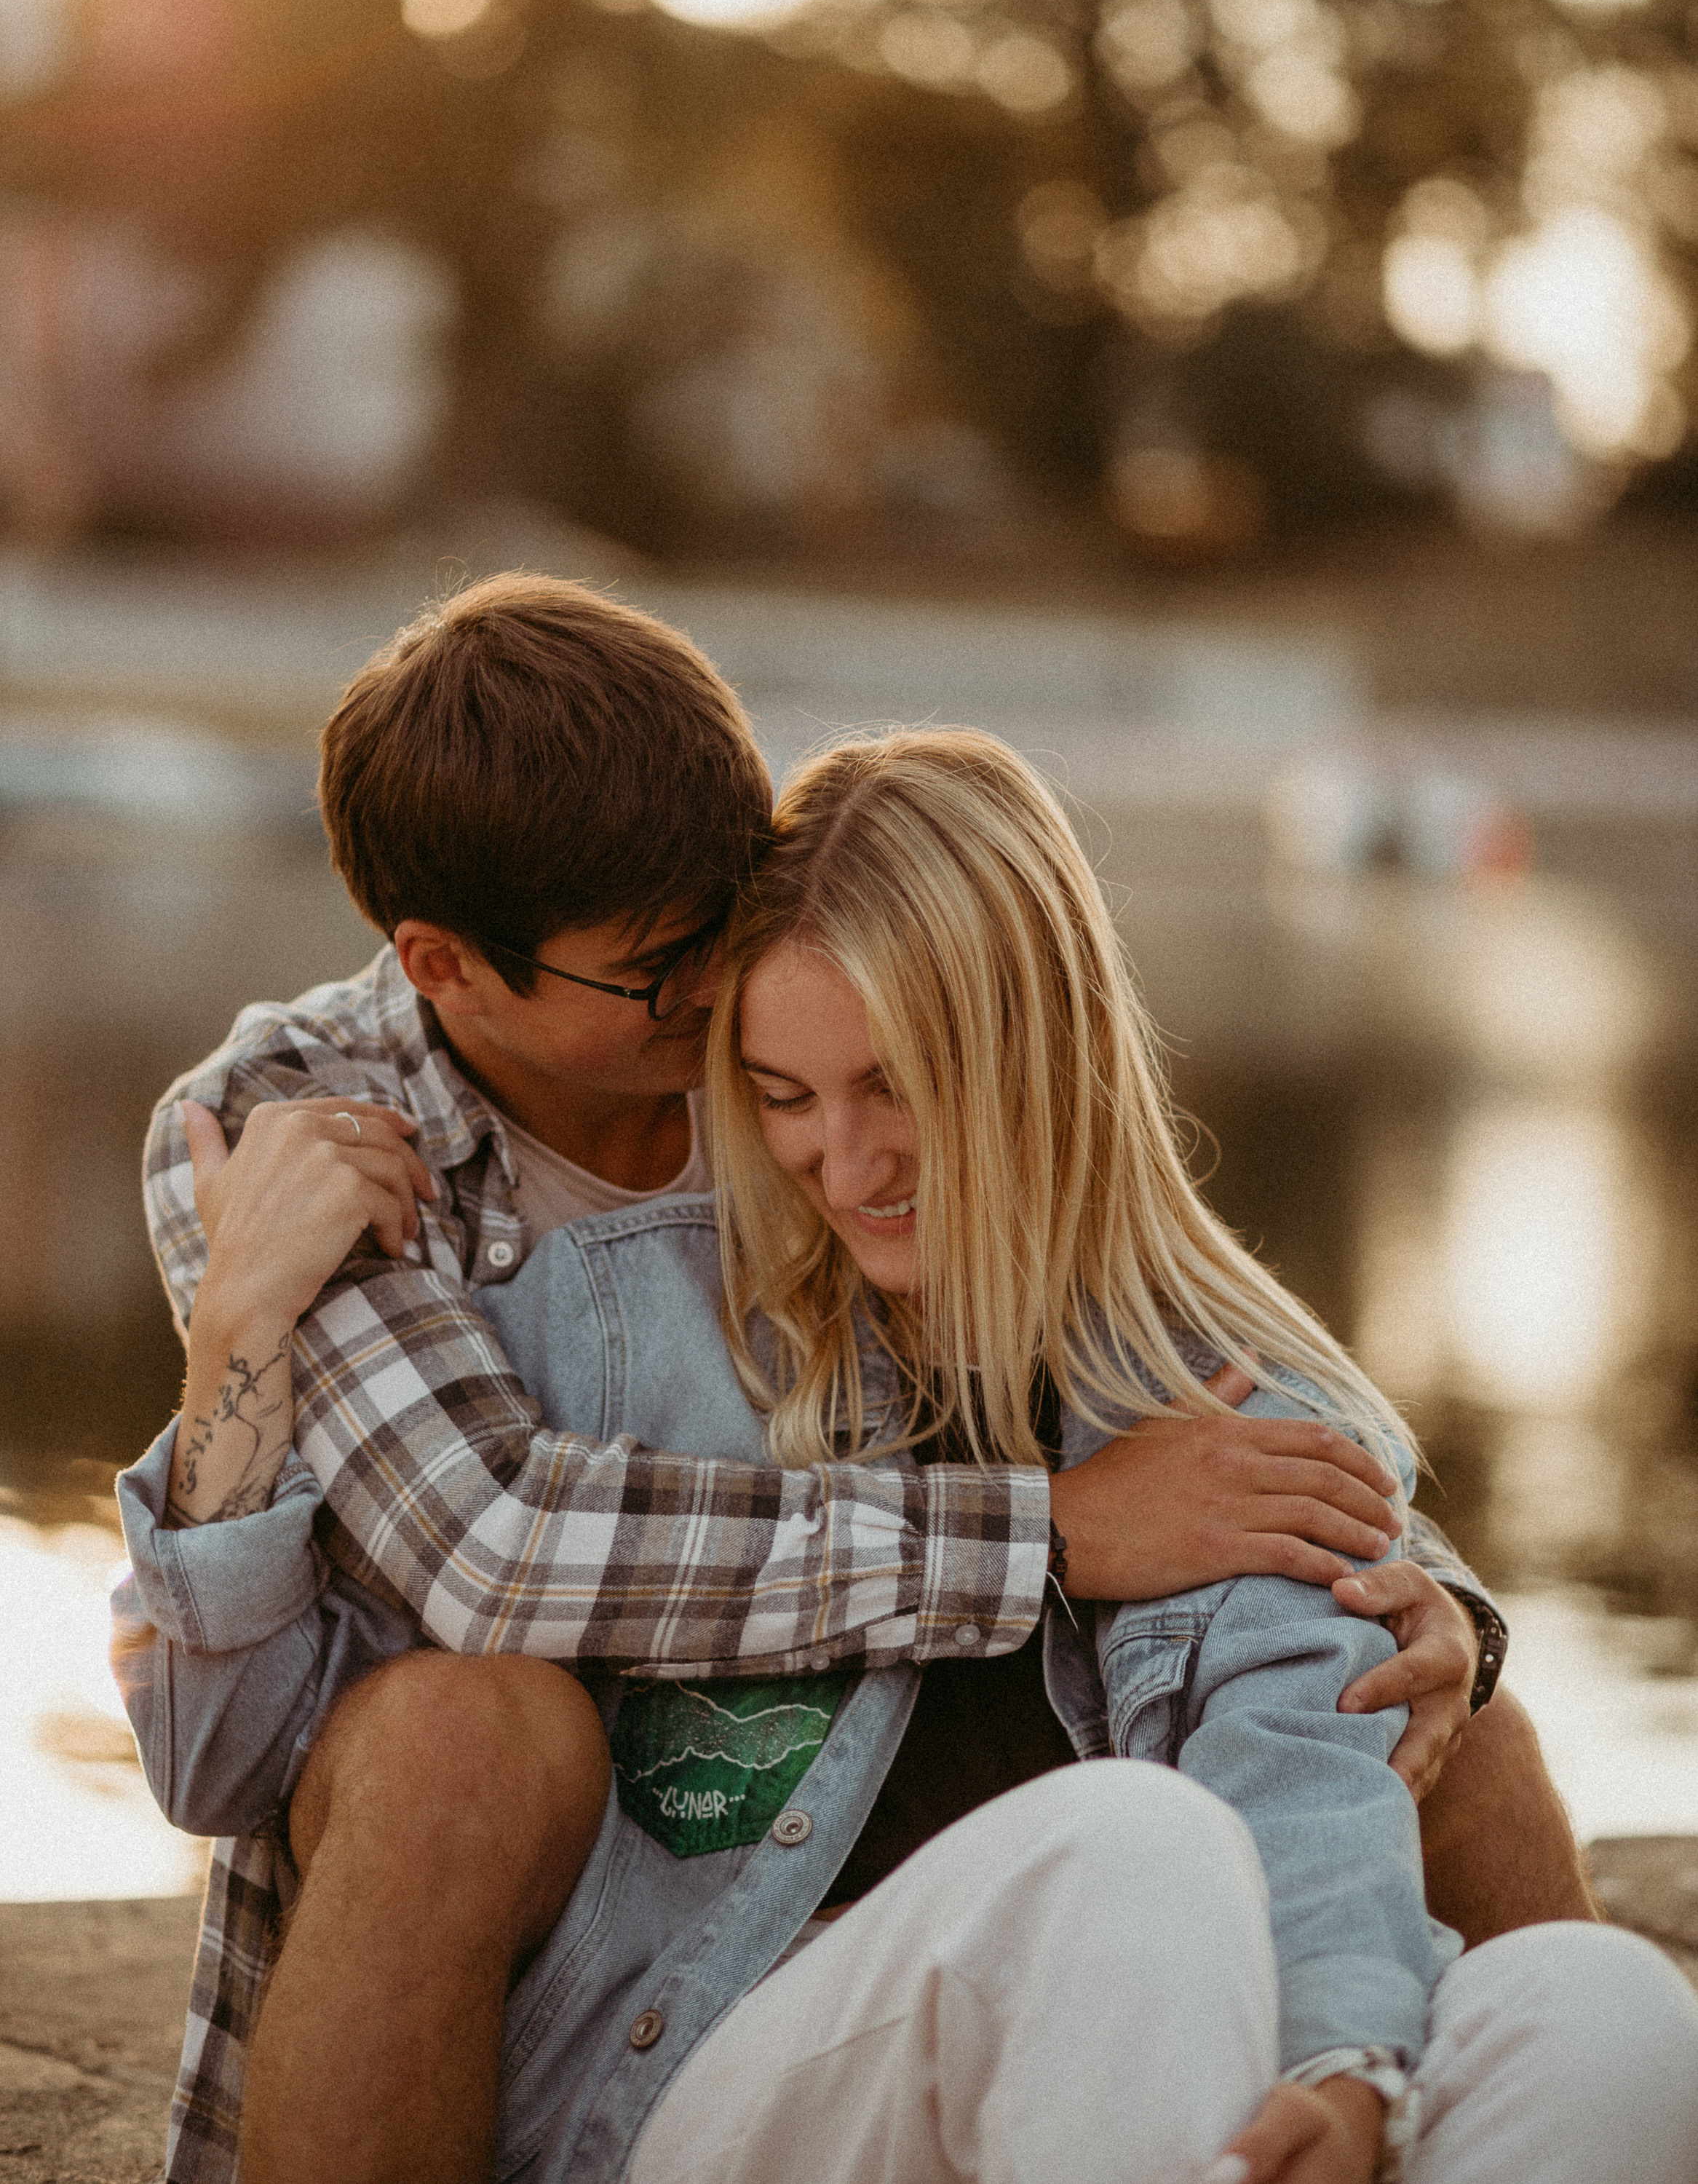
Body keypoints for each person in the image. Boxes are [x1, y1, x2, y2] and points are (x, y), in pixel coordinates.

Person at [127, 580, 1591, 2179]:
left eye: (728, 917)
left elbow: (1130, 1316)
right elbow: (456, 1579)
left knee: (1449, 1723)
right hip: (585, 1867)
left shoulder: (784, 1050)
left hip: (843, 1793)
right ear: (446, 966)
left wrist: (1412, 1580)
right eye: (662, 966)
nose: (718, 989)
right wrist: (1050, 1533)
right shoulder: (293, 1131)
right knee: (463, 1737)